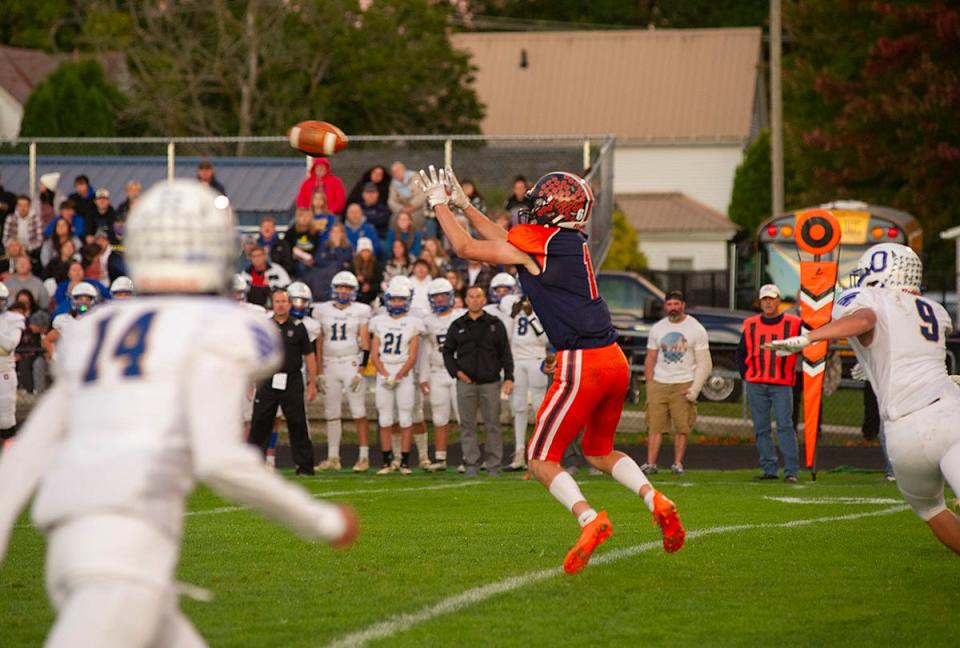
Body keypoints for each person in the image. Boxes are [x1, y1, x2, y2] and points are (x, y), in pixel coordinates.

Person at [0, 179, 357, 647]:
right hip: (126, 552)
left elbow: (25, 456)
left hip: (69, 546)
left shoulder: (97, 328)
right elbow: (220, 460)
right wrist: (321, 521)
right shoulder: (217, 327)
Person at [418, 165, 685, 573]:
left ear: (552, 207)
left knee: (541, 460)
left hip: (583, 362)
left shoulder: (543, 241)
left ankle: (588, 517)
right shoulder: (567, 241)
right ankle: (655, 499)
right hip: (613, 358)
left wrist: (439, 204)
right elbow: (508, 241)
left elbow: (467, 249)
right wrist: (466, 206)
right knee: (598, 451)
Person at [768, 243, 960, 555]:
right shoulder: (935, 310)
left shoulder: (866, 298)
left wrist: (810, 337)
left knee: (931, 509)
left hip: (904, 434)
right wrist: (872, 364)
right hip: (947, 413)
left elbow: (865, 320)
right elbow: (907, 347)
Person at [442, 285, 513, 477]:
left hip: (490, 382)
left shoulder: (495, 323)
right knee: (467, 425)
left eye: (478, 297)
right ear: (466, 300)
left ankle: (493, 466)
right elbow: (447, 352)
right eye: (471, 296)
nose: (475, 300)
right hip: (466, 383)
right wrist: (456, 372)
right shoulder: (457, 325)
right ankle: (471, 464)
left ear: (484, 300)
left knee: (493, 425)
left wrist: (509, 377)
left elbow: (505, 353)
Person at [248, 287, 318, 475]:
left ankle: (304, 466)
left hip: (292, 380)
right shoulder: (266, 327)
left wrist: (312, 382)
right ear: (273, 304)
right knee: (260, 422)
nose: (280, 305)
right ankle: (253, 465)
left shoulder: (298, 327)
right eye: (277, 301)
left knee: (298, 423)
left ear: (289, 304)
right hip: (267, 379)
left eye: (283, 301)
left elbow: (309, 355)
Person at [737, 284, 801, 482]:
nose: (768, 303)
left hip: (781, 382)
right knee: (761, 428)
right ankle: (769, 469)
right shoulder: (750, 324)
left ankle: (791, 471)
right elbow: (741, 351)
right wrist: (745, 375)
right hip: (756, 382)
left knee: (785, 426)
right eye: (765, 299)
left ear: (778, 301)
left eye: (772, 299)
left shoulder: (794, 323)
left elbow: (808, 344)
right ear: (760, 302)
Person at [643, 291, 710, 475]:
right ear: (665, 307)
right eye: (670, 304)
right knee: (655, 426)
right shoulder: (657, 328)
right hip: (660, 382)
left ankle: (677, 464)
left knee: (681, 427)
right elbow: (650, 357)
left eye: (676, 304)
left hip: (683, 382)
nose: (673, 308)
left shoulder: (695, 328)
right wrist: (650, 383)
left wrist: (695, 388)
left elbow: (705, 362)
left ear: (683, 305)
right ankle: (651, 463)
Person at [313, 271, 373, 472]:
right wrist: (319, 370)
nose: (343, 291)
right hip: (330, 364)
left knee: (359, 411)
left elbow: (365, 342)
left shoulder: (361, 310)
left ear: (354, 291)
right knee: (331, 412)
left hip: (351, 363)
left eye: (347, 288)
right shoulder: (322, 310)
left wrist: (361, 370)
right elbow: (319, 342)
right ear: (334, 288)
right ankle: (333, 457)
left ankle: (364, 457)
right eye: (340, 287)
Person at [369, 280, 424, 475]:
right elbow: (374, 354)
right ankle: (386, 461)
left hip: (404, 372)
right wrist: (384, 373)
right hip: (384, 372)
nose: (398, 303)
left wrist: (399, 374)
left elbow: (413, 354)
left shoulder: (414, 322)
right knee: (384, 419)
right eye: (394, 299)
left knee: (405, 419)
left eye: (401, 299)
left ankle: (404, 462)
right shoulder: (378, 321)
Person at [419, 278, 465, 471]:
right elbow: (425, 351)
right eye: (435, 297)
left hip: (458, 372)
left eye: (442, 296)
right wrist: (423, 376)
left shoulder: (461, 316)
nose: (439, 300)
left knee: (464, 417)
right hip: (437, 372)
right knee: (439, 417)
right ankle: (440, 459)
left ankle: (467, 457)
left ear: (451, 297)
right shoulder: (427, 322)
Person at [504, 293, 554, 471]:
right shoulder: (515, 307)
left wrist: (532, 316)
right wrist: (511, 316)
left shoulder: (544, 305)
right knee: (518, 407)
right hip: (517, 360)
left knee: (539, 406)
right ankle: (519, 452)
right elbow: (507, 338)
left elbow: (546, 339)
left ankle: (542, 452)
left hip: (536, 358)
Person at [0, 284, 25, 441]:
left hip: (4, 374)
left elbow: (9, 346)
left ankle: (12, 461)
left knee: (5, 420)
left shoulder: (14, 319)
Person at [351, 237, 382, 305]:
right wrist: (355, 279)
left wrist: (370, 287)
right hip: (355, 296)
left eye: (367, 251)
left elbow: (380, 284)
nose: (365, 254)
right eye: (363, 251)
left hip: (371, 297)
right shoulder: (353, 266)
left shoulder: (376, 266)